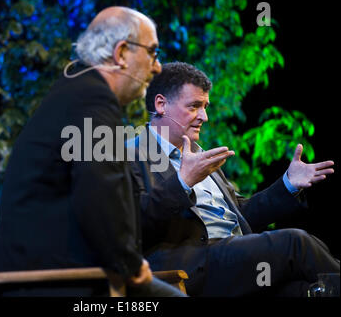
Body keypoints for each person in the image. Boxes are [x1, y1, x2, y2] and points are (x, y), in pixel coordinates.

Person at [0, 7, 185, 296]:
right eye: (153, 52)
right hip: (47, 282)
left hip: (44, 271)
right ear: (121, 53)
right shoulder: (91, 100)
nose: (157, 67)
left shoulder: (77, 91)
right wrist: (130, 264)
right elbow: (99, 192)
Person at [127, 61, 340, 296]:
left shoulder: (200, 155)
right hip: (191, 267)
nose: (204, 117)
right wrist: (182, 182)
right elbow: (131, 224)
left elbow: (242, 214)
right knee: (296, 243)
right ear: (161, 104)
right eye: (194, 106)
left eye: (205, 106)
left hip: (235, 258)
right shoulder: (130, 156)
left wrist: (288, 183)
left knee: (305, 291)